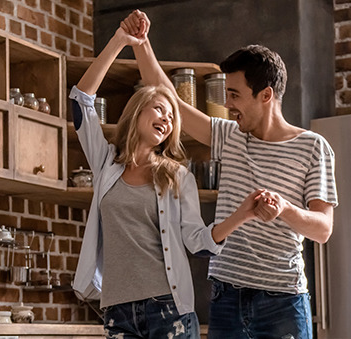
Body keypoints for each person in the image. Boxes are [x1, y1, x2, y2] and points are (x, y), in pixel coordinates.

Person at [122, 10, 339, 339]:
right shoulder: (230, 136)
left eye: (235, 94)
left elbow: (323, 229)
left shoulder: (312, 147)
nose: (228, 103)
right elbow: (171, 100)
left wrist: (284, 209)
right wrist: (141, 43)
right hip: (227, 297)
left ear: (266, 95)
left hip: (282, 301)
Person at [70, 20, 267, 339]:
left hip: (168, 309)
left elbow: (196, 242)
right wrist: (120, 41)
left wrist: (241, 216)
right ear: (137, 111)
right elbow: (81, 100)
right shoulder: (106, 163)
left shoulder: (177, 175)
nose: (167, 118)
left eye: (172, 117)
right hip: (117, 310)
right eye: (160, 109)